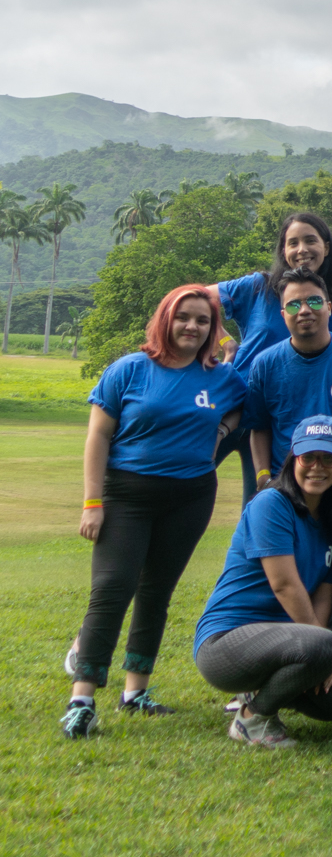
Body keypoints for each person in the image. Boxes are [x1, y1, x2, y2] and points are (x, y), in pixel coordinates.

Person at [60, 286, 246, 739]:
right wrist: (92, 502)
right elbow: (98, 438)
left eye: (202, 320)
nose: (192, 326)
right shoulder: (130, 369)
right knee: (111, 589)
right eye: (184, 317)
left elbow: (242, 410)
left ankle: (135, 692)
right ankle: (82, 700)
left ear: (212, 329)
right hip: (127, 494)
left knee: (157, 592)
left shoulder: (222, 378)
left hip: (190, 497)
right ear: (166, 318)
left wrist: (222, 427)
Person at [193, 417, 332, 748]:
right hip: (225, 642)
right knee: (325, 645)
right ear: (293, 459)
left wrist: (320, 659)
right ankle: (253, 718)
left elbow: (323, 595)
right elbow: (284, 585)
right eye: (308, 457)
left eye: (329, 459)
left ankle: (266, 686)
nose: (318, 467)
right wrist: (321, 652)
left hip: (287, 642)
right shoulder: (271, 503)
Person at [215, 212, 332, 501]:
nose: (302, 249)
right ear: (283, 251)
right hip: (230, 407)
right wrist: (226, 343)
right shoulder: (258, 288)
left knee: (260, 504)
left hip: (276, 421)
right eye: (293, 243)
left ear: (326, 247)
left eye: (310, 241)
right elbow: (191, 297)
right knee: (184, 476)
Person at [245, 268, 332, 477]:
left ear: (329, 308)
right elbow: (259, 428)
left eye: (314, 301)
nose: (304, 310)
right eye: (294, 305)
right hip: (286, 483)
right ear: (283, 315)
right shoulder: (264, 365)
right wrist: (263, 477)